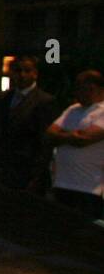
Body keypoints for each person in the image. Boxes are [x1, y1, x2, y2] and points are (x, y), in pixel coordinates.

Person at [0, 55, 56, 191]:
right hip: (3, 167)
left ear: (35, 74)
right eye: (18, 71)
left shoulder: (44, 101)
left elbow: (45, 140)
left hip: (27, 168)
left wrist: (37, 174)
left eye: (27, 71)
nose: (22, 75)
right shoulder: (4, 98)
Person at [45, 70, 104, 219]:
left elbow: (83, 140)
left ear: (94, 88)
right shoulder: (72, 109)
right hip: (62, 183)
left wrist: (64, 135)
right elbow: (50, 133)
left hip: (88, 187)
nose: (78, 92)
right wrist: (72, 135)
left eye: (81, 88)